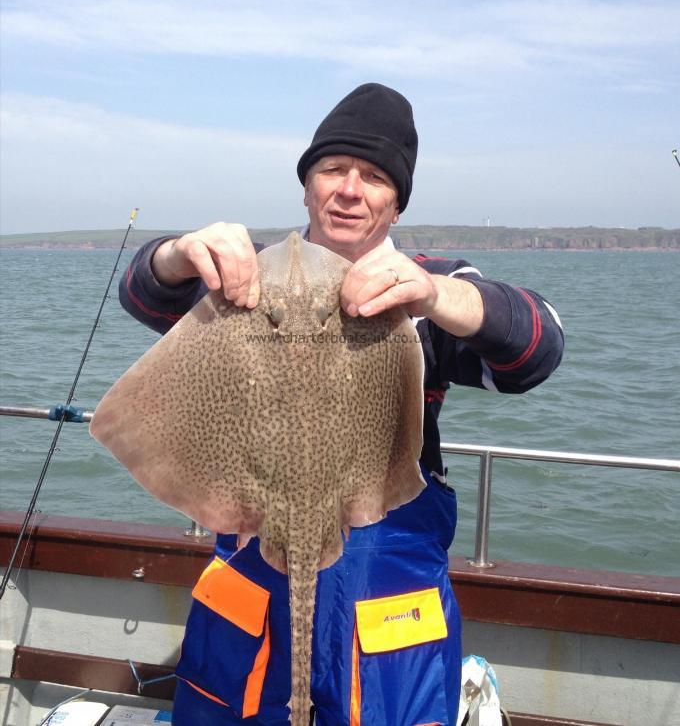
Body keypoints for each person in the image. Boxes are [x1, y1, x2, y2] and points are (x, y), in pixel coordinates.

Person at [120, 83, 564, 726]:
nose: (350, 189)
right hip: (255, 567)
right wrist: (177, 253)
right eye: (333, 169)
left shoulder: (429, 289)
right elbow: (146, 296)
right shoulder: (248, 276)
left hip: (385, 584)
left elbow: (537, 348)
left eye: (376, 177)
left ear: (397, 201)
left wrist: (437, 297)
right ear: (307, 185)